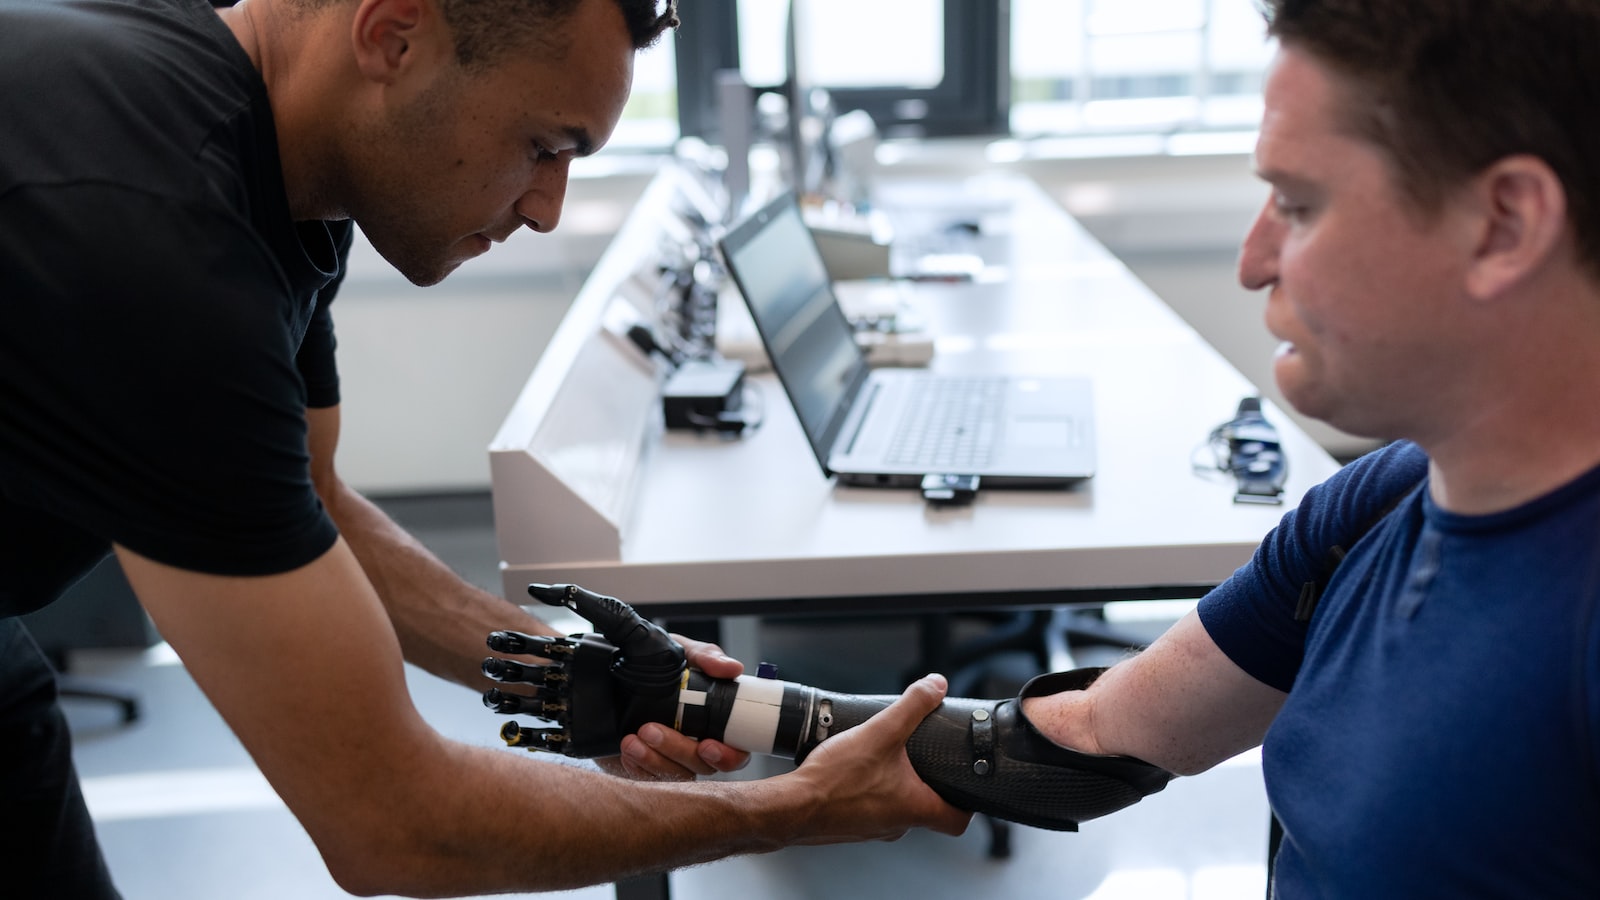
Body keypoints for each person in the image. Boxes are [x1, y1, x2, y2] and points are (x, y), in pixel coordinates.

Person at [0, 0, 970, 895]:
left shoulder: (277, 151)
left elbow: (317, 501)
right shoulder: (155, 234)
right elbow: (389, 823)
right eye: (542, 145)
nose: (546, 207)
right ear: (393, 36)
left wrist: (576, 674)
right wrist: (802, 805)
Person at [1018, 0, 1600, 895]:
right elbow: (1096, 731)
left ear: (1505, 226)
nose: (1253, 261)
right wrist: (766, 730)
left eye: (1297, 203)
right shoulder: (1386, 498)